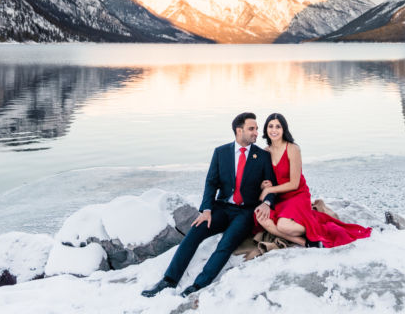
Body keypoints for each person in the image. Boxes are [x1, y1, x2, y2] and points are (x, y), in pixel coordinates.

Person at [142, 112, 276, 298]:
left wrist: (267, 202)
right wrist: (206, 210)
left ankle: (198, 285)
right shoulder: (221, 152)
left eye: (256, 128)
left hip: (245, 212)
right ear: (239, 130)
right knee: (194, 232)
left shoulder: (261, 156)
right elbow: (211, 182)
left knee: (226, 244)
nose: (256, 132)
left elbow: (272, 184)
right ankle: (169, 280)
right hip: (221, 208)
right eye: (251, 128)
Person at [255, 112, 372, 248]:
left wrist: (270, 189)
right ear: (266, 129)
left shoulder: (292, 149)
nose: (274, 130)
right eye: (270, 126)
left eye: (278, 127)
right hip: (280, 198)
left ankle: (312, 226)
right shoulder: (265, 152)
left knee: (283, 225)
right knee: (261, 218)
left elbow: (294, 184)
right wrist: (264, 185)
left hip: (297, 195)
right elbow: (266, 179)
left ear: (284, 129)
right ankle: (306, 242)